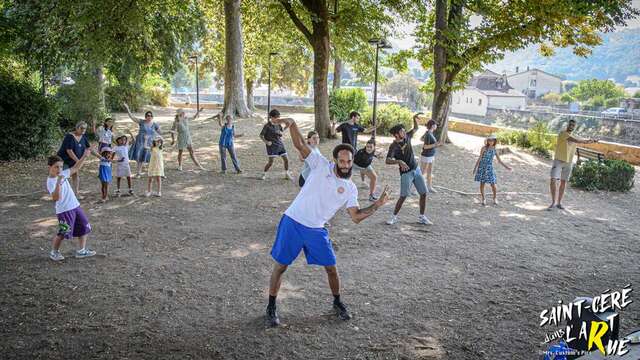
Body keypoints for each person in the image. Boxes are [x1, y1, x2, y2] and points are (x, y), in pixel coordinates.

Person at [264, 116, 390, 328]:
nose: (346, 165)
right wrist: (292, 124)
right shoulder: (320, 164)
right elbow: (299, 145)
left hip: (316, 230)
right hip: (293, 221)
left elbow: (356, 217)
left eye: (349, 161)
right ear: (334, 160)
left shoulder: (350, 188)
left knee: (331, 268)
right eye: (341, 161)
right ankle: (271, 306)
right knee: (281, 266)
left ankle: (337, 302)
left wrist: (377, 205)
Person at [46, 154, 97, 261]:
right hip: (64, 210)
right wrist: (58, 183)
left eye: (61, 167)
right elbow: (56, 198)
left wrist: (85, 155)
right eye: (56, 167)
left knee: (84, 226)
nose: (59, 169)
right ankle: (54, 252)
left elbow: (76, 168)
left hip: (75, 206)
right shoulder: (51, 181)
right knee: (64, 232)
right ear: (49, 167)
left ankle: (81, 251)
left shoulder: (63, 174)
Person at [385, 114, 432, 225]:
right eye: (402, 131)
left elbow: (415, 128)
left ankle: (422, 217)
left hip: (416, 170)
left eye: (404, 130)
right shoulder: (393, 146)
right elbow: (387, 160)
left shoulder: (407, 137)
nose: (404, 132)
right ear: (396, 135)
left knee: (424, 193)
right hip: (406, 173)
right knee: (403, 196)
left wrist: (414, 119)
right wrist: (399, 161)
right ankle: (393, 217)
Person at [548, 119, 598, 210]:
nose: (571, 126)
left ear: (574, 127)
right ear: (567, 125)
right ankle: (553, 202)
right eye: (570, 124)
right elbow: (577, 140)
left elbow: (580, 140)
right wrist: (588, 140)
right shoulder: (563, 133)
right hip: (559, 160)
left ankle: (559, 203)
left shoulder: (574, 135)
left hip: (568, 162)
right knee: (553, 180)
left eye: (573, 125)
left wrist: (591, 140)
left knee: (563, 182)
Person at [56, 121, 101, 199]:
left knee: (75, 175)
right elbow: (69, 151)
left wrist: (99, 157)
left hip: (74, 160)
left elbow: (89, 148)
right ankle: (58, 194)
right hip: (64, 160)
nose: (84, 130)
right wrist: (78, 161)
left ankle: (76, 194)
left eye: (85, 128)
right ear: (77, 128)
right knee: (63, 177)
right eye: (82, 128)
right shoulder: (69, 136)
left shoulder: (83, 137)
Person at [472, 134, 512, 206]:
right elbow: (480, 158)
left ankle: (495, 198)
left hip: (489, 168)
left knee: (493, 184)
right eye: (490, 140)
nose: (491, 141)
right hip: (482, 167)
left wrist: (507, 167)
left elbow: (499, 161)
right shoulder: (484, 148)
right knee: (482, 184)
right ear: (487, 141)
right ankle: (483, 199)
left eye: (493, 140)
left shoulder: (494, 150)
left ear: (495, 141)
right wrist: (475, 168)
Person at [123, 103, 161, 177]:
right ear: (145, 116)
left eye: (150, 116)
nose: (149, 117)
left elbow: (161, 133)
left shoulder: (155, 124)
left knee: (150, 157)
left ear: (152, 117)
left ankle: (155, 172)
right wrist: (127, 108)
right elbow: (132, 117)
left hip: (149, 143)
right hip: (140, 142)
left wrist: (170, 132)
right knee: (139, 158)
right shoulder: (142, 122)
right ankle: (138, 173)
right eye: (147, 115)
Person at [260, 109, 293, 180]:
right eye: (276, 117)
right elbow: (261, 136)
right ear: (271, 117)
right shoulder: (267, 126)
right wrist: (266, 142)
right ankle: (264, 174)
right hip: (272, 146)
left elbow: (281, 131)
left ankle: (287, 174)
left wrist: (287, 125)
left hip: (280, 144)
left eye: (278, 117)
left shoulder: (278, 124)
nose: (278, 119)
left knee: (286, 159)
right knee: (271, 162)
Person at [420, 119, 443, 193]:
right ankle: (416, 189)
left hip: (431, 156)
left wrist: (437, 145)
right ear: (433, 126)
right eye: (435, 124)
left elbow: (432, 145)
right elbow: (425, 147)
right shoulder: (428, 134)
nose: (436, 126)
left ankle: (429, 187)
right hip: (426, 156)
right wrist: (435, 144)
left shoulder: (431, 133)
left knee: (430, 172)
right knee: (422, 173)